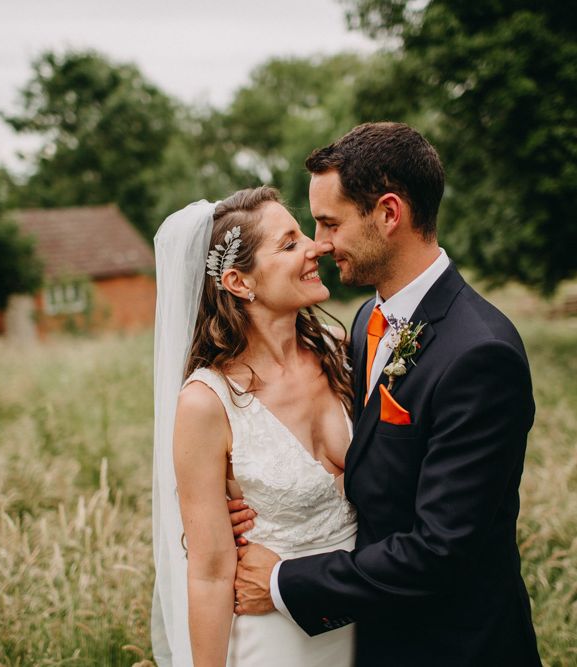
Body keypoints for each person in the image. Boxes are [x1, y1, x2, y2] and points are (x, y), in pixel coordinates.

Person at [232, 122, 541, 666]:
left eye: (330, 224)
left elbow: (439, 551)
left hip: (456, 647)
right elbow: (366, 465)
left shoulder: (480, 354)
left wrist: (283, 582)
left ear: (389, 214)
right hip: (369, 640)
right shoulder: (366, 320)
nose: (319, 245)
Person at [152, 186, 358, 666]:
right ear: (239, 282)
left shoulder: (341, 351)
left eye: (304, 234)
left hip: (364, 615)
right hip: (278, 638)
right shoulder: (208, 403)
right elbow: (208, 572)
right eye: (289, 244)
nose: (315, 247)